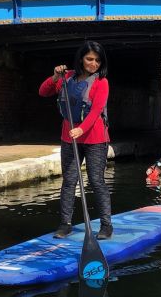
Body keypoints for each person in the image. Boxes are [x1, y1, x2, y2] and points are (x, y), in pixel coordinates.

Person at [39, 41, 112, 240]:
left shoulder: (101, 82)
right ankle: (65, 224)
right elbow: (43, 91)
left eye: (97, 60)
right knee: (69, 181)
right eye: (89, 59)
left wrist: (81, 129)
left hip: (95, 138)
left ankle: (106, 225)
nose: (93, 63)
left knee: (97, 181)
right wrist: (55, 76)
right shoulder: (67, 77)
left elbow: (96, 110)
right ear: (81, 59)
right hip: (69, 138)